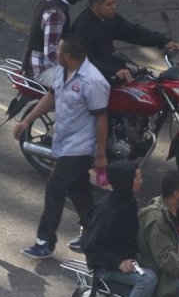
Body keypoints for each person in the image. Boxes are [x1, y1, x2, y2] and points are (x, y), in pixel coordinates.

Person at [14, 33, 109, 259]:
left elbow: (102, 119)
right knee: (79, 190)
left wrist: (101, 155)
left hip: (82, 147)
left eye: (58, 51)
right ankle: (96, 233)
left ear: (67, 55)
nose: (55, 53)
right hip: (64, 143)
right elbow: (50, 97)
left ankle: (45, 241)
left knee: (55, 187)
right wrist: (27, 120)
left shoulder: (93, 82)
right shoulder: (62, 71)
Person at [81, 161, 157, 297]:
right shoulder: (107, 209)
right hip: (107, 268)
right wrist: (118, 263)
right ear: (126, 181)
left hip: (126, 259)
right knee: (148, 279)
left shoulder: (127, 200)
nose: (141, 181)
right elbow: (89, 245)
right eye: (137, 177)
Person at [72, 0, 179, 82]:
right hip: (94, 79)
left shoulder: (109, 18)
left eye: (114, 3)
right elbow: (87, 61)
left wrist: (163, 41)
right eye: (109, 4)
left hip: (112, 68)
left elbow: (132, 31)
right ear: (96, 5)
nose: (114, 8)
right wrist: (115, 70)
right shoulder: (82, 28)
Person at [21, 0, 88, 87]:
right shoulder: (56, 13)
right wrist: (74, 68)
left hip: (37, 62)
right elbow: (51, 54)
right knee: (79, 89)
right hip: (42, 68)